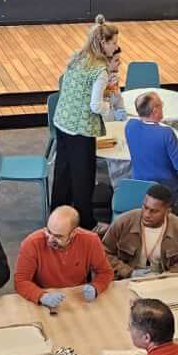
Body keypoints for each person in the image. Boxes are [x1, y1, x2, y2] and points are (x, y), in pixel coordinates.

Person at [51, 15, 123, 231]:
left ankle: (56, 214)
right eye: (114, 43)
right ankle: (86, 223)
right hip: (81, 128)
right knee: (83, 177)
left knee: (63, 172)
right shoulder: (100, 70)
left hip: (62, 120)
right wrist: (109, 107)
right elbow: (94, 105)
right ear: (103, 43)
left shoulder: (78, 56)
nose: (116, 47)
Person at [14, 206, 114, 309]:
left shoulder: (91, 241)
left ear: (73, 233)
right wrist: (42, 296)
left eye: (58, 236)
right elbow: (21, 281)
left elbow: (106, 272)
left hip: (78, 299)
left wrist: (96, 287)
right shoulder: (31, 243)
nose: (50, 239)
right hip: (43, 300)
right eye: (48, 231)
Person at [102, 184, 178, 278]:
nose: (146, 214)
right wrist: (129, 272)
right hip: (126, 279)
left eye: (154, 211)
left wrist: (165, 277)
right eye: (145, 207)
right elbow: (103, 252)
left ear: (167, 211)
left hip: (163, 282)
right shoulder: (124, 222)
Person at [124, 91, 178, 199]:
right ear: (155, 111)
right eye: (162, 104)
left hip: (139, 188)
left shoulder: (130, 125)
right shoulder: (166, 133)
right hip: (165, 192)